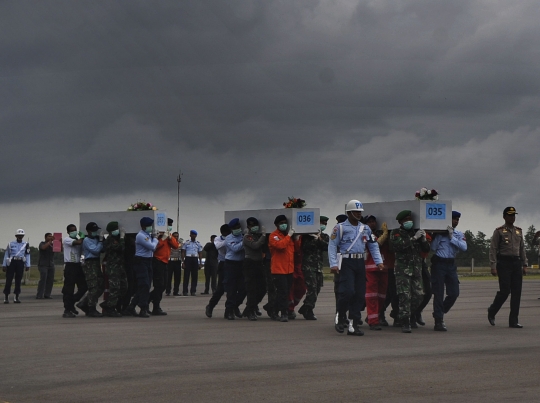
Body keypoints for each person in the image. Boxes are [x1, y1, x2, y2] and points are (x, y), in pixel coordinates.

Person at [329, 201, 384, 336]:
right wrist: (333, 264)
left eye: (360, 212)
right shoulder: (339, 228)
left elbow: (373, 245)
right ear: (349, 213)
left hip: (360, 261)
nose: (359, 214)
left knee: (359, 294)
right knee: (347, 292)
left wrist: (379, 261)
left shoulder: (365, 228)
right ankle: (340, 316)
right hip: (346, 261)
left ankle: (354, 324)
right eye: (356, 212)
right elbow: (332, 245)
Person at [487, 207, 528, 328]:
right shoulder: (499, 231)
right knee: (505, 291)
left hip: (516, 263)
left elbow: (522, 249)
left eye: (514, 215)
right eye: (510, 215)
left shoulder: (519, 231)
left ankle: (513, 321)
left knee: (517, 292)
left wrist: (525, 264)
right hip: (504, 263)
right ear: (504, 217)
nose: (512, 218)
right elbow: (493, 249)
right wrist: (493, 266)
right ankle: (492, 311)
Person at [390, 210, 430, 333]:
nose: (409, 222)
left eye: (410, 219)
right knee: (404, 296)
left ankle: (408, 314)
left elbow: (427, 249)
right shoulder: (396, 233)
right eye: (406, 219)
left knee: (419, 295)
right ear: (401, 221)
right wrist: (413, 238)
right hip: (403, 270)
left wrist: (423, 239)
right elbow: (397, 246)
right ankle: (405, 321)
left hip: (416, 269)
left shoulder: (416, 232)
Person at [429, 211, 467, 331]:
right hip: (439, 263)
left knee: (454, 293)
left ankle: (440, 312)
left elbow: (464, 247)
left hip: (451, 264)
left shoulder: (458, 233)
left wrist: (452, 237)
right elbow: (433, 248)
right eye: (454, 219)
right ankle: (438, 320)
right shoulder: (440, 234)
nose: (456, 221)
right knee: (439, 293)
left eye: (457, 219)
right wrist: (438, 235)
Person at [298, 215, 329, 320]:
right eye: (321, 223)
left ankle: (305, 306)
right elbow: (306, 247)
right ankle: (308, 310)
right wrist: (314, 238)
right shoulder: (307, 237)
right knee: (312, 289)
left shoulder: (324, 236)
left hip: (319, 267)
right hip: (308, 266)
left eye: (325, 224)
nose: (323, 225)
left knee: (318, 288)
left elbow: (326, 246)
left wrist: (319, 238)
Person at [268, 214, 299, 322]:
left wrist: (296, 238)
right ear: (276, 225)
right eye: (281, 223)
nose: (284, 225)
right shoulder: (273, 236)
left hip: (289, 269)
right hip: (278, 270)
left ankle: (273, 310)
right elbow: (280, 246)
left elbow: (296, 250)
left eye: (285, 223)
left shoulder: (288, 237)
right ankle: (284, 313)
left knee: (285, 292)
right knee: (282, 292)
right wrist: (289, 236)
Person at [127, 217, 159, 318]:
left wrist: (153, 238)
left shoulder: (148, 235)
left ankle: (131, 307)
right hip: (141, 261)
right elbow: (152, 247)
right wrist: (156, 239)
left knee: (145, 286)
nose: (151, 227)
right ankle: (143, 308)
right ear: (144, 226)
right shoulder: (141, 236)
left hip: (148, 261)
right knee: (144, 285)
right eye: (149, 225)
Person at [362, 215, 389, 331]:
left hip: (383, 268)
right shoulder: (364, 234)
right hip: (370, 269)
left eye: (374, 222)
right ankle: (373, 321)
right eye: (369, 222)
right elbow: (375, 245)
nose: (372, 224)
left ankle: (373, 317)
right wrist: (385, 235)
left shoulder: (378, 233)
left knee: (382, 296)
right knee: (372, 295)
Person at [149, 218, 179, 315]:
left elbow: (176, 246)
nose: (170, 226)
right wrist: (162, 239)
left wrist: (169, 238)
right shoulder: (157, 235)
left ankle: (153, 302)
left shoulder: (168, 235)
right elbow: (155, 247)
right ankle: (151, 303)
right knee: (159, 285)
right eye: (168, 224)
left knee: (164, 285)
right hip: (157, 261)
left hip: (165, 262)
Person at [100, 221, 128, 317]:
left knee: (124, 287)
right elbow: (121, 247)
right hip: (113, 267)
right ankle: (110, 308)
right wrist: (122, 237)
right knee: (114, 288)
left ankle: (107, 303)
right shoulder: (110, 240)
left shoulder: (116, 238)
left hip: (120, 267)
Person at [242, 217, 267, 321]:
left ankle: (249, 308)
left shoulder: (258, 235)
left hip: (259, 263)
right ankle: (250, 311)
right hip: (250, 263)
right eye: (251, 225)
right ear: (248, 226)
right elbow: (256, 246)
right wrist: (264, 236)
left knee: (262, 289)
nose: (254, 227)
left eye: (255, 225)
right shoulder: (247, 237)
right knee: (252, 289)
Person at [79, 222, 105, 317]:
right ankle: (91, 308)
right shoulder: (86, 240)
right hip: (90, 263)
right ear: (88, 231)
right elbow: (96, 250)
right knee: (93, 287)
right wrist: (101, 242)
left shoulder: (96, 239)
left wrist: (102, 241)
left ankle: (84, 302)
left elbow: (103, 250)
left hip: (96, 262)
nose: (95, 232)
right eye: (94, 231)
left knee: (101, 285)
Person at [61, 224, 88, 318]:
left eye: (75, 230)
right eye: (72, 230)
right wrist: (83, 236)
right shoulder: (67, 240)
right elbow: (78, 242)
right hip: (70, 265)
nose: (74, 231)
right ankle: (67, 309)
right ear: (68, 232)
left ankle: (71, 302)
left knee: (84, 286)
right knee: (69, 289)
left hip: (78, 265)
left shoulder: (78, 240)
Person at [205, 224, 231, 318]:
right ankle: (210, 306)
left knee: (231, 289)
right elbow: (218, 246)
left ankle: (229, 310)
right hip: (223, 264)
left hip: (233, 263)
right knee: (221, 289)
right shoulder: (218, 239)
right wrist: (228, 239)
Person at [223, 219, 246, 320]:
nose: (238, 229)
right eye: (235, 228)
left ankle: (235, 306)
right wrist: (245, 241)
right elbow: (235, 248)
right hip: (231, 264)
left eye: (239, 227)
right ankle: (229, 311)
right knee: (231, 289)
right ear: (231, 229)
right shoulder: (228, 238)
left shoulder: (243, 236)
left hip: (241, 264)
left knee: (243, 288)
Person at [3, 229, 31, 303]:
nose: (20, 237)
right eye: (19, 235)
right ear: (16, 236)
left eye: (21, 235)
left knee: (18, 280)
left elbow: (27, 255)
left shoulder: (26, 244)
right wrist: (4, 265)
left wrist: (27, 265)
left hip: (20, 262)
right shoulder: (10, 244)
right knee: (9, 279)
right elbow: (6, 254)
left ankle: (16, 296)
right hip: (12, 262)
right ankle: (6, 297)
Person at [181, 230, 203, 296]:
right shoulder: (186, 243)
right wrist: (183, 262)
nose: (193, 236)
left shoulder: (198, 243)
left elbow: (200, 253)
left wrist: (200, 262)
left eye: (194, 235)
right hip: (188, 258)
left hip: (195, 259)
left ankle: (193, 291)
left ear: (196, 236)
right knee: (186, 276)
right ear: (190, 235)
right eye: (192, 234)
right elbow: (183, 252)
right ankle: (185, 291)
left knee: (195, 276)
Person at [36, 233, 56, 300]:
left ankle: (47, 294)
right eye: (49, 236)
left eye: (51, 236)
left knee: (50, 280)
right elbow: (43, 248)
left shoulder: (53, 245)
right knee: (43, 279)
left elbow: (60, 250)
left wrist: (59, 241)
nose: (51, 237)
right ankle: (39, 295)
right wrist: (50, 241)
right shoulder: (42, 243)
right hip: (43, 264)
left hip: (51, 264)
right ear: (45, 237)